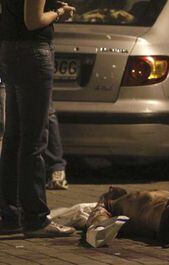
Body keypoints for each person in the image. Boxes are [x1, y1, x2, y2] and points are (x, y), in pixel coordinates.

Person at [0, 0, 75, 237]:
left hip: (11, 49)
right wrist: (59, 12)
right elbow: (33, 21)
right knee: (34, 138)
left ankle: (10, 215)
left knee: (14, 138)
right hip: (33, 52)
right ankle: (35, 219)